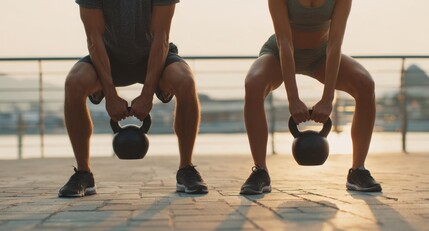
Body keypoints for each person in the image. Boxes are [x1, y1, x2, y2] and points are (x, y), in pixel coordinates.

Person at [59, 0, 208, 197]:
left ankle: (186, 169)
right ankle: (83, 174)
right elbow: (94, 39)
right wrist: (110, 95)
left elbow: (161, 37)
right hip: (107, 57)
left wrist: (147, 95)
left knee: (185, 81)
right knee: (74, 83)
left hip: (154, 56)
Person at [240, 0, 382, 195]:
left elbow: (335, 44)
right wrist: (293, 98)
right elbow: (285, 44)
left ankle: (358, 171)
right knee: (253, 84)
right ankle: (260, 172)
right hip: (278, 52)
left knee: (366, 85)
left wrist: (328, 98)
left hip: (320, 55)